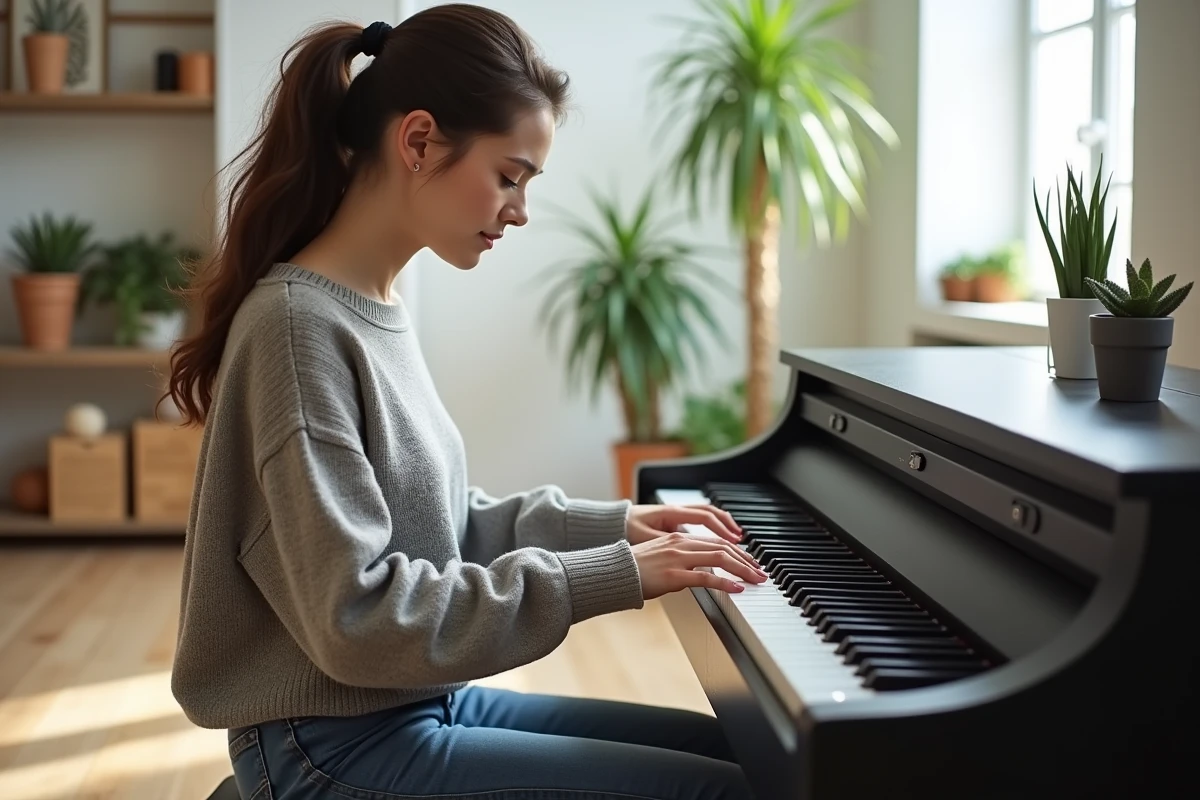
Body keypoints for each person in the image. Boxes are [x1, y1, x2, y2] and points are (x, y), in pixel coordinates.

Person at [167, 5, 769, 799]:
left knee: (740, 756)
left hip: (402, 704)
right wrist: (615, 575)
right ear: (418, 142)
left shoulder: (368, 304)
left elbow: (440, 528)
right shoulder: (297, 330)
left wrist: (615, 526)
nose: (519, 209)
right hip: (326, 744)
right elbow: (357, 615)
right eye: (510, 176)